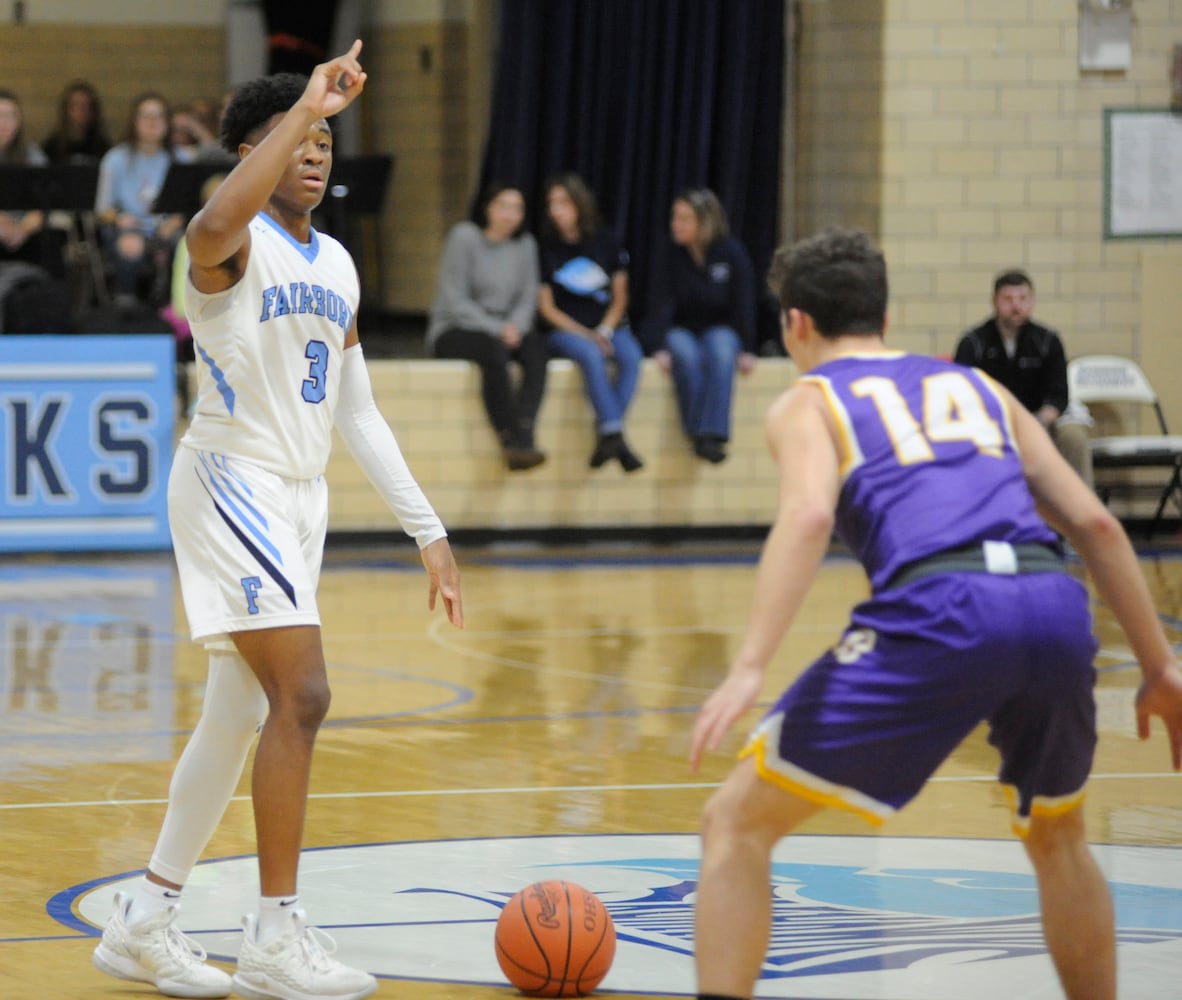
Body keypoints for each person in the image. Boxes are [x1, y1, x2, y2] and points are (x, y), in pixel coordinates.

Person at [688, 227, 1182, 1000]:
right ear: (886, 317)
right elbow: (1098, 527)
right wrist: (1160, 667)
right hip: (1052, 600)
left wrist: (749, 663)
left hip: (941, 605)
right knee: (1062, 839)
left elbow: (811, 515)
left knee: (733, 826)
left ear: (796, 325)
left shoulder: (809, 399)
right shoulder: (980, 388)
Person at [91, 42, 463, 1000]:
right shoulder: (228, 240)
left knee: (239, 713)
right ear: (254, 150)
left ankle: (144, 918)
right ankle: (272, 935)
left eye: (327, 138)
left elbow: (358, 410)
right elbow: (215, 217)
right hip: (229, 479)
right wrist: (304, 101)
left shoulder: (335, 260)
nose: (317, 149)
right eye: (296, 136)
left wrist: (427, 528)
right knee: (304, 696)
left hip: (303, 497)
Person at [427, 182, 548, 471]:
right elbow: (454, 298)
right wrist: (498, 329)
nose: (511, 214)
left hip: (506, 328)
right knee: (493, 353)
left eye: (517, 208)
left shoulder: (525, 245)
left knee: (537, 349)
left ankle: (526, 429)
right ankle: (509, 437)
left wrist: (516, 327)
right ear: (488, 208)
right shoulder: (464, 237)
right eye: (503, 206)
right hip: (456, 327)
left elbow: (528, 296)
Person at [537, 172, 644, 472]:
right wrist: (585, 334)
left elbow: (620, 296)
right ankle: (614, 433)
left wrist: (605, 329)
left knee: (632, 357)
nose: (556, 210)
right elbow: (546, 307)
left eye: (563, 202)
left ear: (579, 205)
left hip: (608, 326)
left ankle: (610, 432)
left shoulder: (605, 240)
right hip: (568, 330)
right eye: (552, 203)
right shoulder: (547, 246)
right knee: (590, 355)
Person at [646, 188, 758, 464]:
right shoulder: (670, 254)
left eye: (685, 219)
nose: (677, 224)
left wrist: (747, 347)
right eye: (675, 217)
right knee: (685, 355)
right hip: (681, 328)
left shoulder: (731, 253)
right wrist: (657, 346)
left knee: (722, 353)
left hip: (719, 326)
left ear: (705, 222)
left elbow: (744, 303)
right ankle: (700, 432)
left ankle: (711, 433)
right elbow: (658, 304)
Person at [955, 270, 1094, 490]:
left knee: (1074, 437)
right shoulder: (973, 342)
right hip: (991, 422)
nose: (1016, 306)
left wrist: (1036, 422)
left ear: (1032, 301)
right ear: (994, 302)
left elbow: (1058, 396)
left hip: (1040, 419)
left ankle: (1082, 513)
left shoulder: (1048, 340)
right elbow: (961, 393)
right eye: (1008, 299)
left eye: (1023, 299)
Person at [94, 92, 185, 307]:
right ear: (135, 121)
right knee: (130, 245)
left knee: (186, 245)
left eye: (159, 116)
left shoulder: (180, 158)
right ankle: (127, 306)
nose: (153, 123)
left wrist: (173, 224)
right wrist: (119, 219)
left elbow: (188, 205)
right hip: (128, 228)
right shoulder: (115, 159)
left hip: (167, 228)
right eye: (146, 116)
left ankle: (176, 311)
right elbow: (102, 208)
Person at [0, 89, 67, 279]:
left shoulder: (32, 155)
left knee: (48, 244)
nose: (4, 123)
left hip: (25, 230)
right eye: (0, 116)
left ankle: (48, 303)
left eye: (11, 116)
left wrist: (23, 228)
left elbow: (48, 201)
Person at [42, 79, 111, 165]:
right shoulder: (52, 147)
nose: (81, 111)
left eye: (86, 106)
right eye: (76, 105)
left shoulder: (103, 147)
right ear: (66, 110)